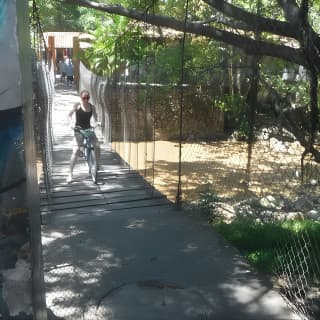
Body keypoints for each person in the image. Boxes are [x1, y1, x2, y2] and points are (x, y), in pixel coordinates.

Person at [67, 90, 100, 183]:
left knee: (97, 146)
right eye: (84, 98)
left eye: (87, 98)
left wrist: (97, 123)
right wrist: (71, 124)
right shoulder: (77, 105)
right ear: (81, 97)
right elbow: (69, 115)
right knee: (76, 150)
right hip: (79, 130)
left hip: (89, 129)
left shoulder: (92, 107)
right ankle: (70, 173)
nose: (86, 100)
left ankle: (96, 165)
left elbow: (96, 118)